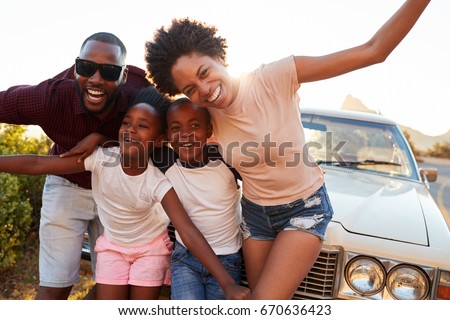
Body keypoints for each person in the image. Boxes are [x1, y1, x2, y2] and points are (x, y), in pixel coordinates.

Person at [144, 0, 431, 299]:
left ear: (218, 56)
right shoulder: (206, 115)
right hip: (255, 216)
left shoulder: (274, 78)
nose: (203, 89)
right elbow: (153, 126)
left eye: (204, 72)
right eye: (190, 88)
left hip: (304, 209)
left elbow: (374, 50)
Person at [0, 89, 251, 300]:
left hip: (167, 251)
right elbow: (38, 164)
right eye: (126, 123)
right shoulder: (110, 158)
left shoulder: (168, 173)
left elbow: (188, 229)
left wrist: (228, 283)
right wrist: (100, 138)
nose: (131, 130)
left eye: (142, 126)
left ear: (159, 140)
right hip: (126, 249)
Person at [0, 32, 164, 299]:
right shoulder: (50, 98)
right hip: (68, 181)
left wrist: (104, 139)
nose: (96, 79)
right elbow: (35, 161)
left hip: (119, 190)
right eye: (86, 68)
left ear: (123, 76)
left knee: (116, 286)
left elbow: (169, 136)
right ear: (76, 68)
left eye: (109, 71)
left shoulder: (140, 99)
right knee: (55, 285)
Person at [158, 98, 243, 300]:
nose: (185, 134)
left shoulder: (226, 159)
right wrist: (99, 138)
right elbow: (131, 141)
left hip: (227, 259)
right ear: (167, 135)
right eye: (176, 128)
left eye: (195, 125)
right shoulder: (164, 160)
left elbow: (263, 177)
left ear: (209, 130)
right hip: (185, 258)